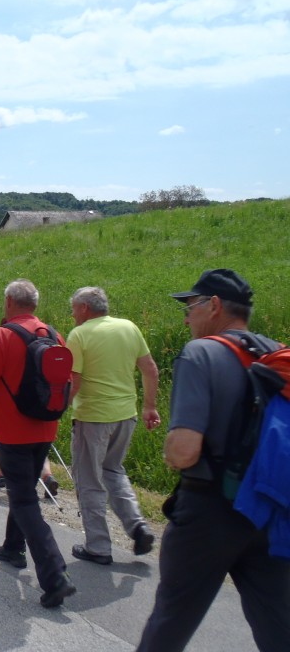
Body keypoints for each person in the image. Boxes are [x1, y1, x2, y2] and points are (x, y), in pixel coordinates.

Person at [138, 269, 290, 651]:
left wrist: (171, 451)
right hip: (270, 510)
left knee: (171, 621)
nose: (187, 317)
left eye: (190, 307)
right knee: (278, 625)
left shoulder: (200, 353)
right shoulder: (276, 354)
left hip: (209, 512)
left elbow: (184, 450)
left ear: (216, 306)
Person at [0, 279, 76, 609]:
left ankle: (55, 576)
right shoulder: (53, 335)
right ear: (34, 303)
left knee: (24, 500)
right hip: (45, 429)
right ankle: (12, 547)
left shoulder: (1, 335)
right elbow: (69, 382)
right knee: (23, 492)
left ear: (9, 301)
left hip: (12, 432)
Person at [66, 286, 160, 565]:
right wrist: (150, 406)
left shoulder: (80, 335)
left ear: (84, 308)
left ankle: (98, 546)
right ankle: (137, 526)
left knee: (88, 480)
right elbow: (150, 369)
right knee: (113, 470)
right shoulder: (129, 327)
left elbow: (75, 381)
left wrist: (55, 410)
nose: (72, 314)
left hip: (93, 417)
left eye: (73, 308)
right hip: (126, 415)